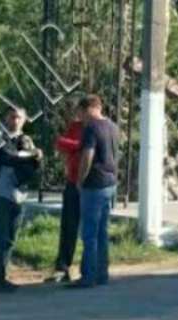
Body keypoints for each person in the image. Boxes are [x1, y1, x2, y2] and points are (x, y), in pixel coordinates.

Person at [0, 105, 39, 294]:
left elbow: (35, 163)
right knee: (1, 236)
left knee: (10, 237)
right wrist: (29, 156)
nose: (15, 121)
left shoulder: (26, 139)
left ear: (24, 120)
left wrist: (31, 156)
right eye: (12, 117)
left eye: (19, 117)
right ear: (5, 118)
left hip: (20, 193)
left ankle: (3, 276)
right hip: (2, 193)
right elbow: (5, 157)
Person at [75, 93, 119, 288]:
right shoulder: (112, 126)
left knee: (89, 233)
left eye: (81, 113)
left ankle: (88, 276)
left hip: (94, 184)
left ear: (89, 109)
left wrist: (80, 179)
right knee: (102, 232)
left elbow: (87, 156)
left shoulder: (91, 128)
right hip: (110, 182)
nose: (80, 118)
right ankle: (102, 274)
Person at [52, 98, 90, 283]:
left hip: (89, 184)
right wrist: (77, 146)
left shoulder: (96, 127)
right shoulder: (75, 126)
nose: (78, 115)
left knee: (90, 228)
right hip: (72, 181)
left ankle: (90, 267)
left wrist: (75, 146)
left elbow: (88, 147)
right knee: (68, 225)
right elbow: (60, 143)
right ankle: (63, 266)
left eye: (80, 111)